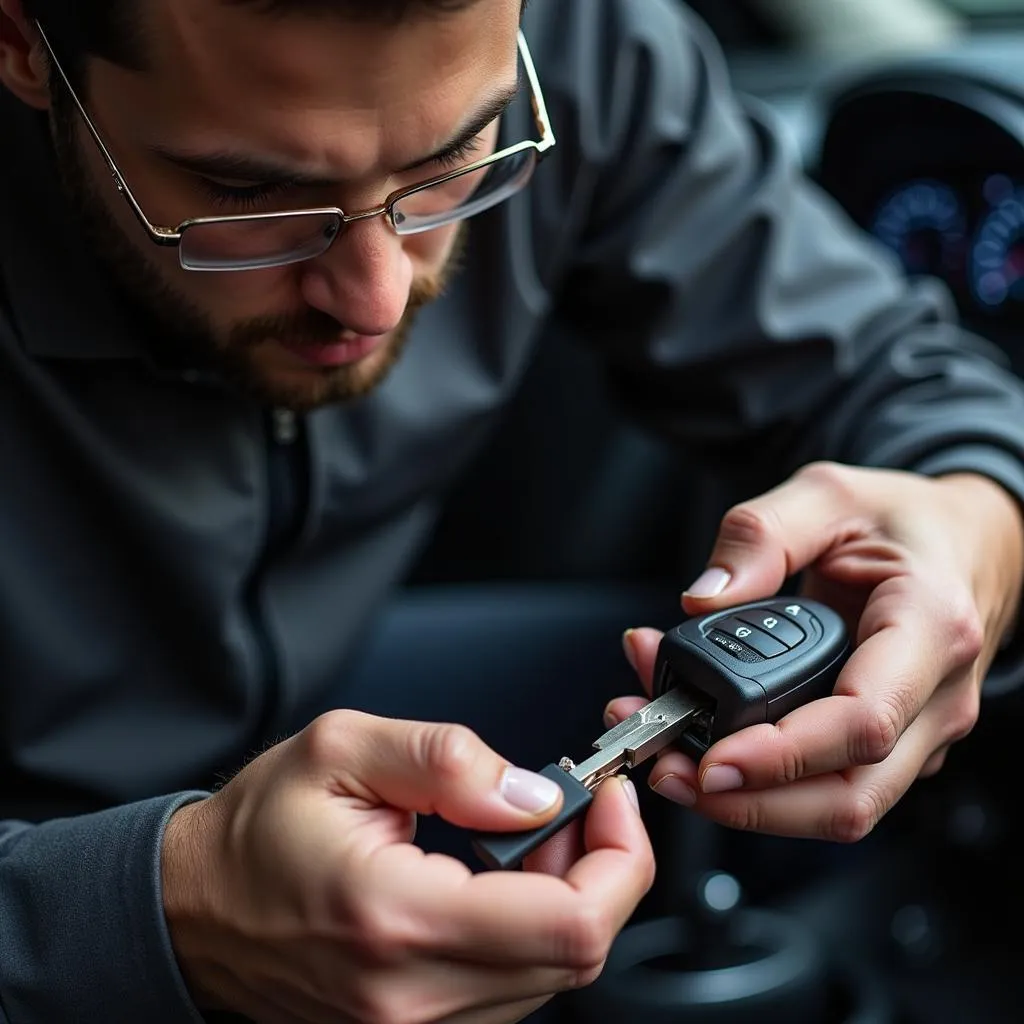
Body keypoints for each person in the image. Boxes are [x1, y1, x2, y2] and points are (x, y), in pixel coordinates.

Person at [2, 0, 1024, 1020]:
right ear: (22, 43)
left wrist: (974, 527)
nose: (376, 300)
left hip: (307, 698)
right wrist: (145, 917)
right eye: (246, 191)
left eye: (449, 165)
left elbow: (898, 377)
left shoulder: (575, 42)